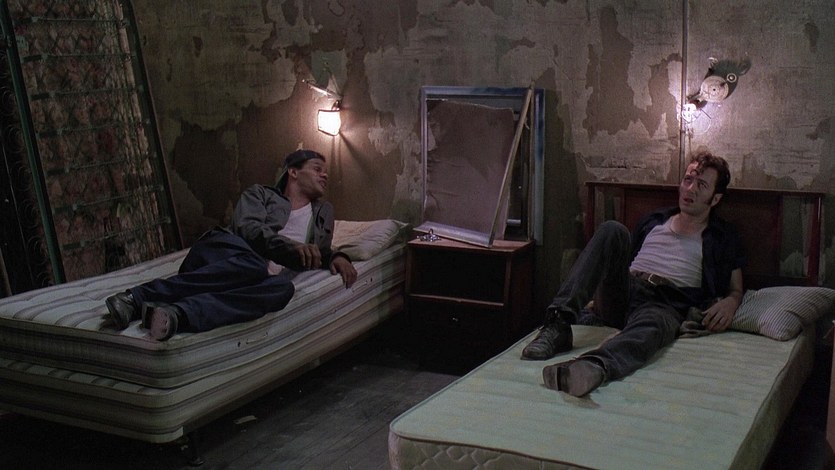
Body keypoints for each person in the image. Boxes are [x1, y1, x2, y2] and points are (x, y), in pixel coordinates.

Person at [522, 151, 744, 397]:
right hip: (627, 289)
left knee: (654, 326)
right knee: (613, 230)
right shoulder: (654, 220)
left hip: (666, 301)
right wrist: (598, 294)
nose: (690, 189)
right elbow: (620, 261)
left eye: (701, 185)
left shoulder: (723, 236)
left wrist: (731, 302)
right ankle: (558, 324)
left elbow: (736, 288)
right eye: (688, 180)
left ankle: (593, 366)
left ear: (715, 198)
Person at [105, 149, 357, 340]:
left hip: (255, 277)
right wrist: (290, 248)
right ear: (293, 172)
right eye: (317, 169)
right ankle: (135, 298)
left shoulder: (323, 212)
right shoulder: (260, 194)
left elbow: (320, 252)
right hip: (224, 252)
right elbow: (248, 229)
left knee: (282, 288)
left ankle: (177, 314)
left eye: (325, 171)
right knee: (253, 265)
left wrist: (337, 256)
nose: (325, 175)